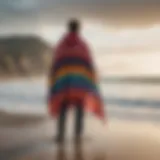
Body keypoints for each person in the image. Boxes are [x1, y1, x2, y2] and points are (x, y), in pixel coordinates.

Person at [48, 19, 105, 143]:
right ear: (78, 29)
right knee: (79, 110)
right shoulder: (83, 46)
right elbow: (88, 65)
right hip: (79, 85)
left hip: (64, 85)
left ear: (68, 28)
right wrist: (92, 80)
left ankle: (60, 136)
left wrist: (54, 81)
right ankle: (78, 136)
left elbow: (56, 66)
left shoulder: (60, 45)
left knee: (62, 109)